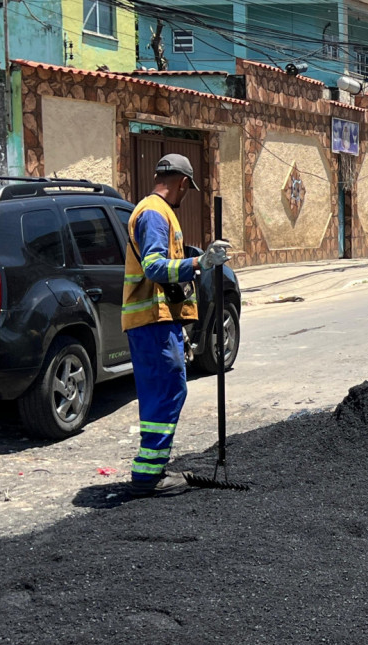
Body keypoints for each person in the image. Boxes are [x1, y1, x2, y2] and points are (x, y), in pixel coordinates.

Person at [123, 154, 230, 497]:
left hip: (159, 320)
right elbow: (154, 267)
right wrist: (199, 261)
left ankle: (152, 468)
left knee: (167, 390)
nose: (186, 195)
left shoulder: (155, 211)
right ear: (183, 182)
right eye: (188, 188)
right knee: (165, 391)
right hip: (151, 322)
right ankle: (149, 477)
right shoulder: (154, 213)